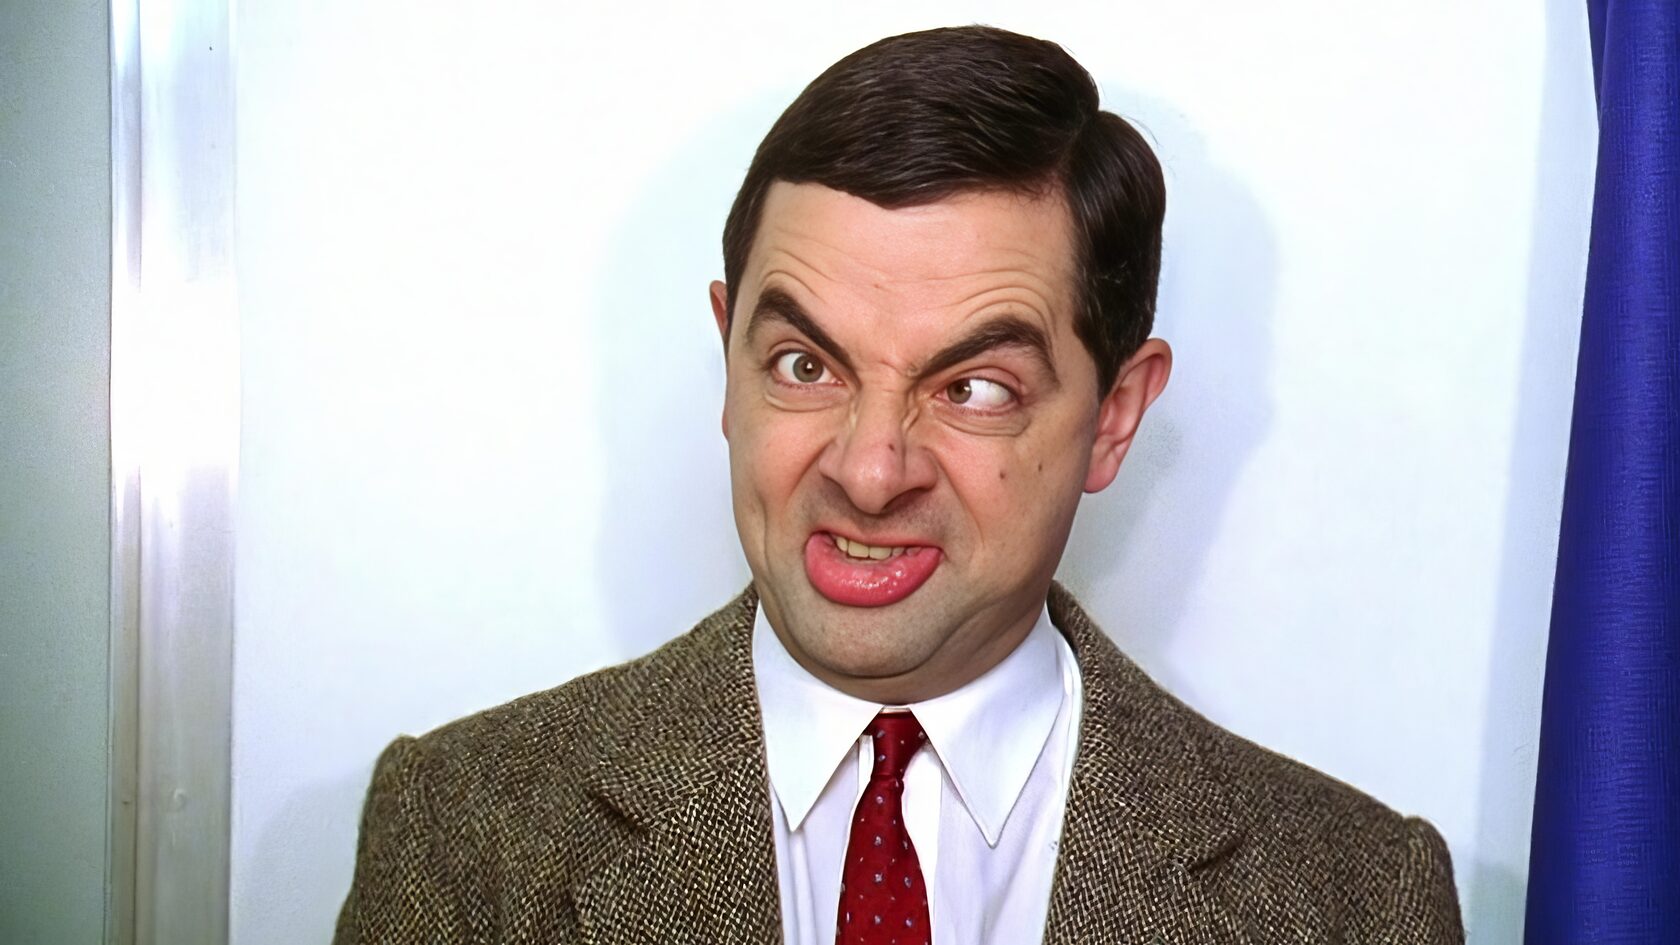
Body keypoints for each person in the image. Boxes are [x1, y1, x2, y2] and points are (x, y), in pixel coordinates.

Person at [333, 25, 1464, 944]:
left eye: (973, 388)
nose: (870, 472)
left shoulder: (1358, 903)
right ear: (728, 361)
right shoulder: (463, 835)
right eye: (804, 366)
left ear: (1114, 415)